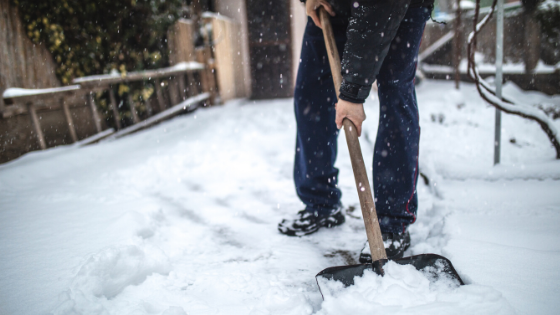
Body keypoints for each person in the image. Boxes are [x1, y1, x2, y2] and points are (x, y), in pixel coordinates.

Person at [278, 0, 433, 261]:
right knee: (311, 94)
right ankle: (320, 202)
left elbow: (380, 9)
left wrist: (352, 92)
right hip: (331, 6)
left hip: (398, 8)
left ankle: (392, 221)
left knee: (395, 94)